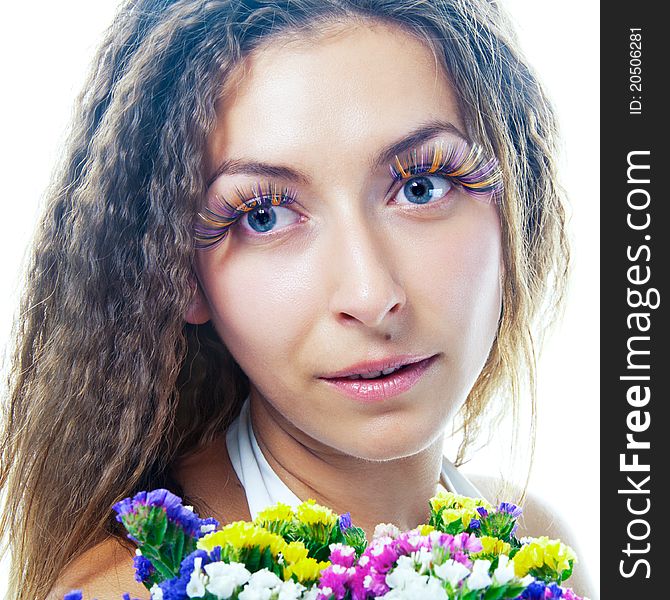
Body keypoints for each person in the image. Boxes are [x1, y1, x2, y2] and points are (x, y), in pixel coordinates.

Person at [0, 0, 591, 598]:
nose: (370, 294)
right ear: (179, 273)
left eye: (421, 185)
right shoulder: (134, 588)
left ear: (519, 205)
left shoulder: (537, 556)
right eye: (264, 215)